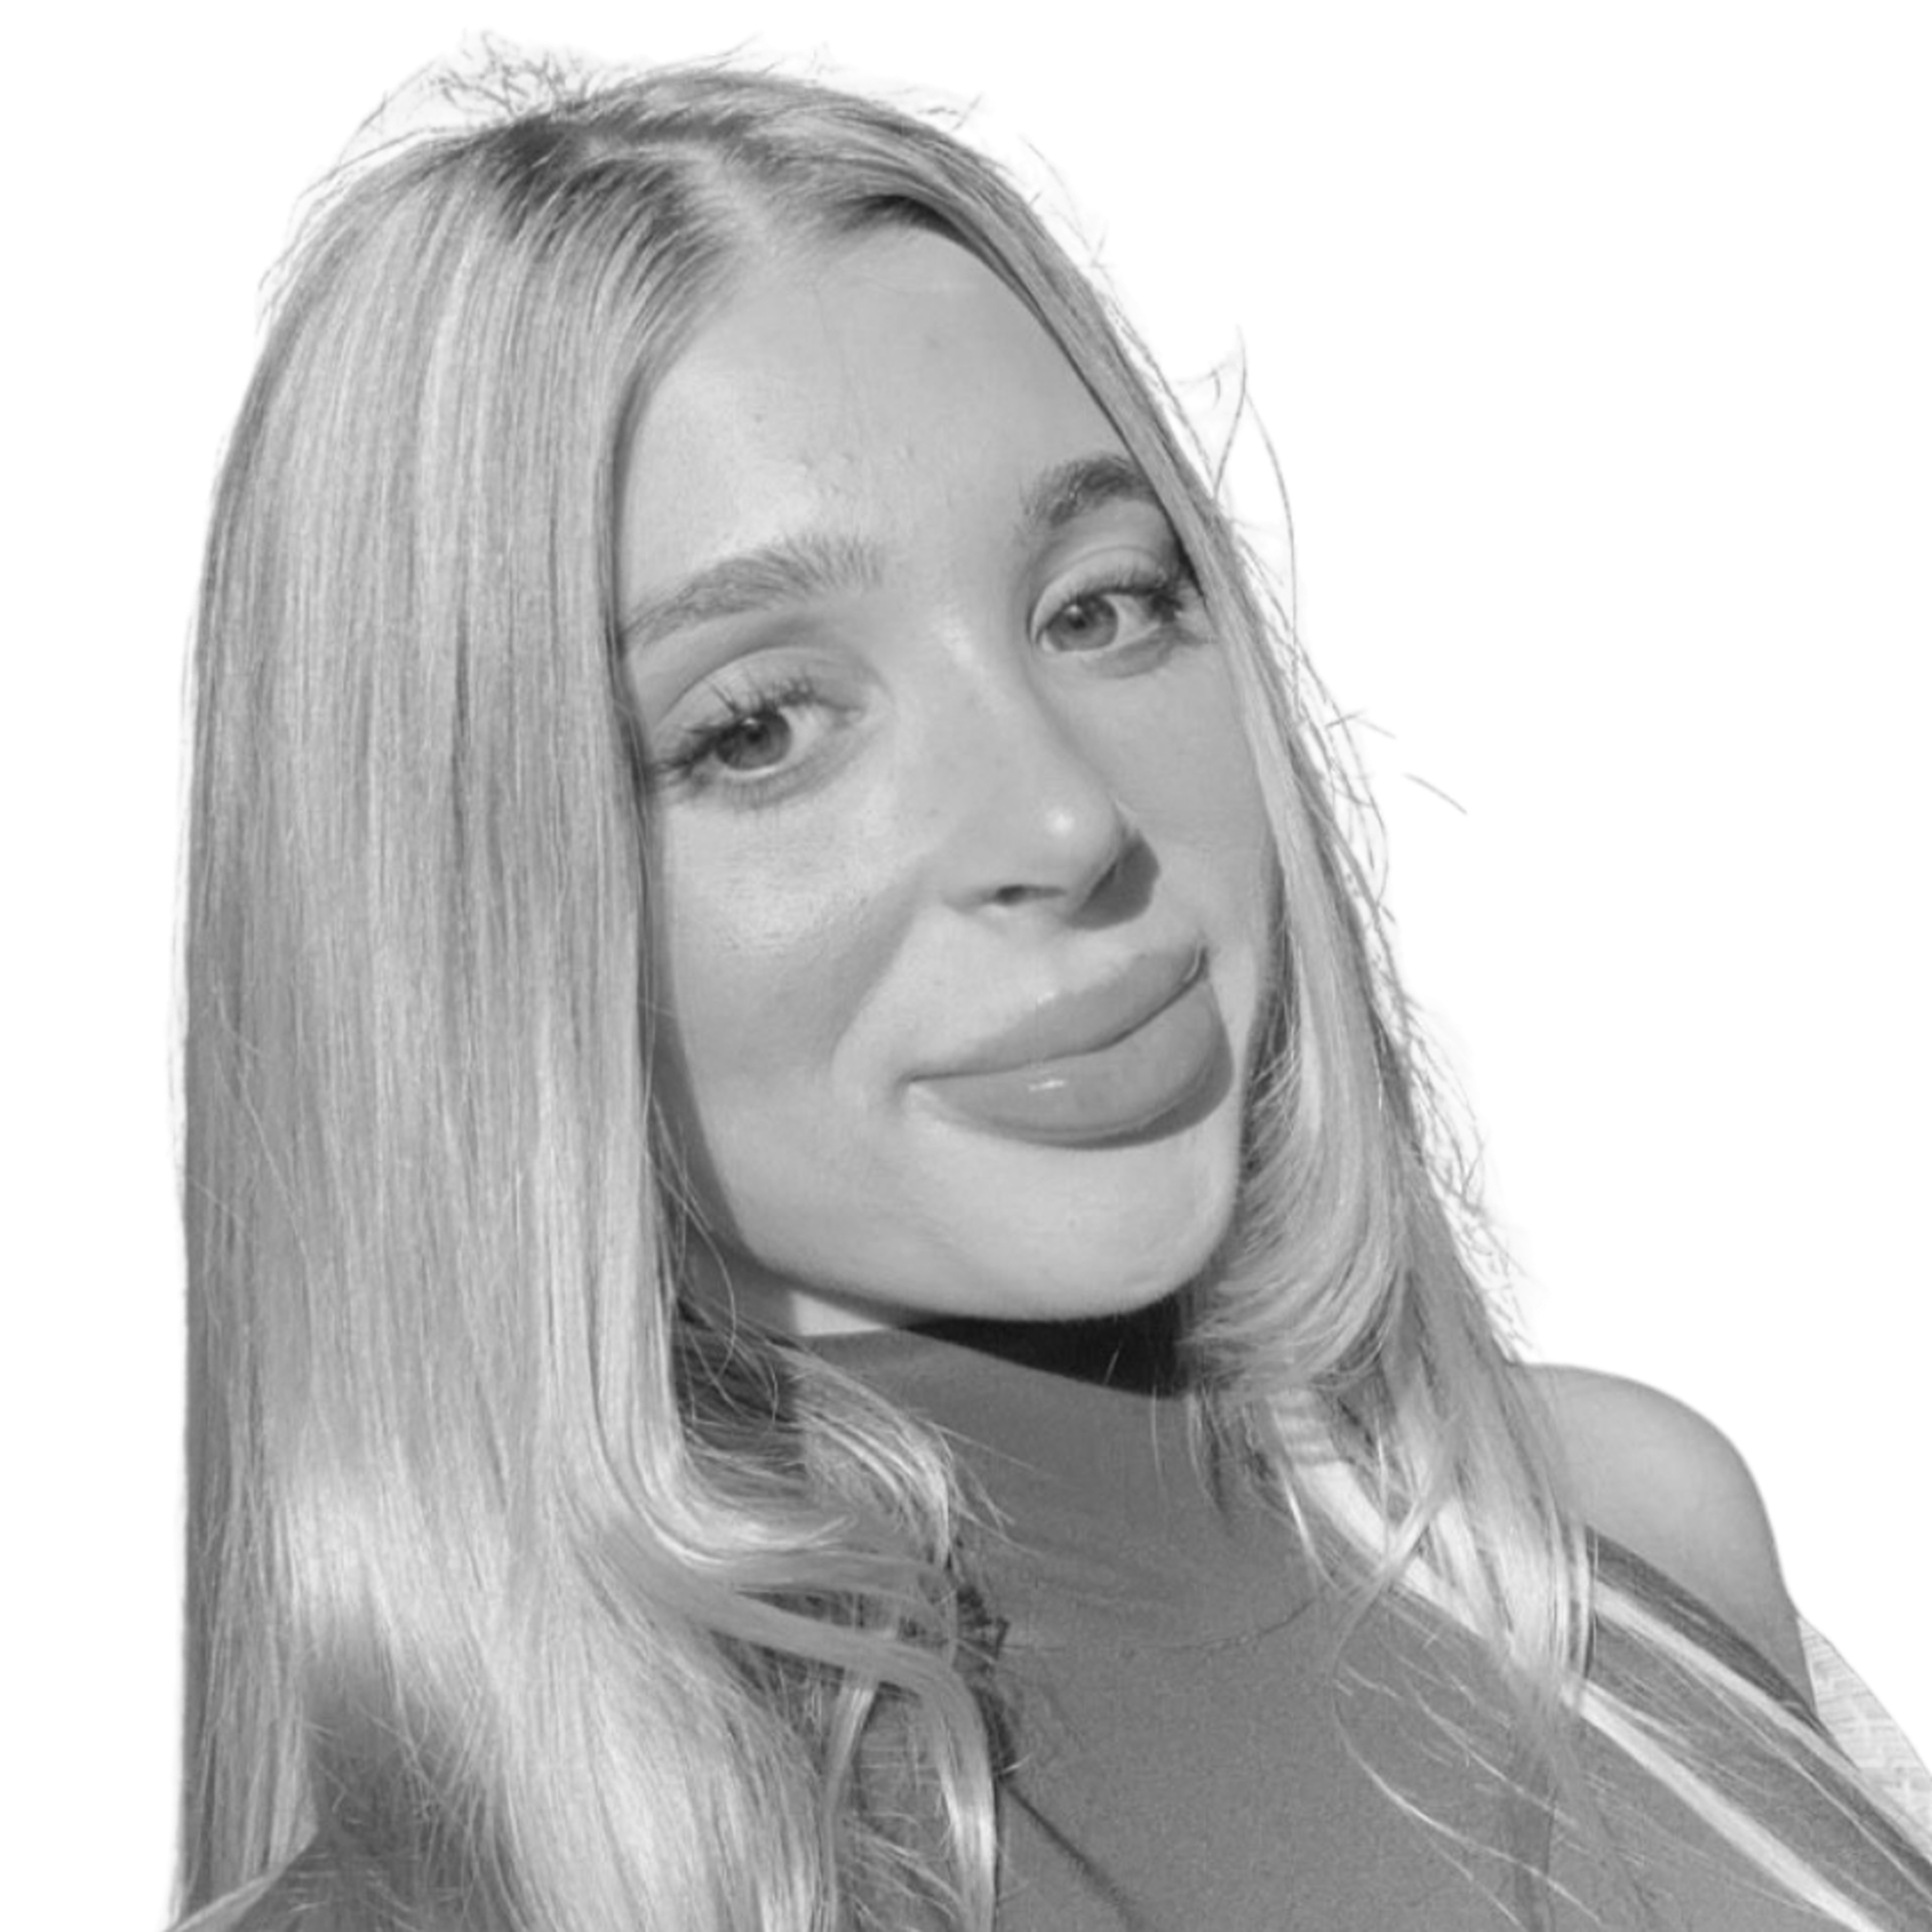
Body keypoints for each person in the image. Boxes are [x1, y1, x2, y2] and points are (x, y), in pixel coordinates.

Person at [163, 33, 1931, 1932]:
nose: (1069, 818)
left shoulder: (1610, 1529)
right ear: (448, 930)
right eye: (758, 725)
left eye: (1102, 603)